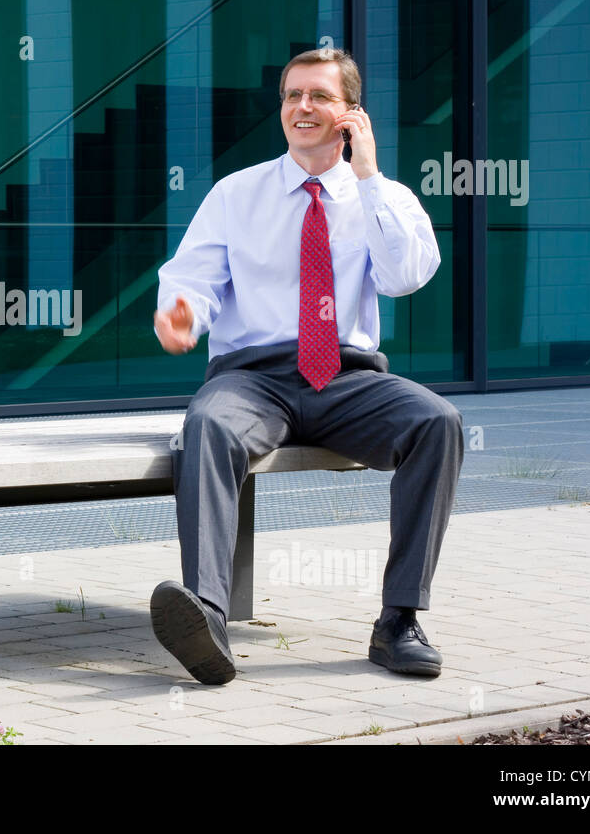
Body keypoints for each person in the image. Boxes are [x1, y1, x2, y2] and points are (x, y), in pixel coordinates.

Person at [150, 47, 463, 686]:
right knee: (205, 426)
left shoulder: (384, 199)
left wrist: (370, 177)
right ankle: (207, 616)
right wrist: (181, 312)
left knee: (439, 422)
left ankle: (399, 620)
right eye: (293, 95)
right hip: (254, 378)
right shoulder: (237, 194)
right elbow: (193, 279)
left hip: (349, 379)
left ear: (351, 114)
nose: (302, 107)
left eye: (318, 96)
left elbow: (406, 277)